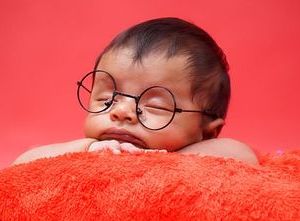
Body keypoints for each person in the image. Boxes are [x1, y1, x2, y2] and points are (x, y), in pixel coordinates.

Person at [13, 17, 259, 165]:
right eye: (106, 99)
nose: (122, 111)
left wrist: (162, 163)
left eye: (155, 106)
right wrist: (86, 148)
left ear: (207, 133)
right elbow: (18, 168)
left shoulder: (202, 156)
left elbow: (243, 156)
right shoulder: (87, 153)